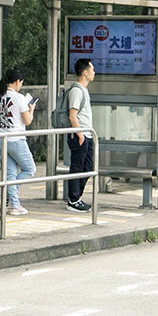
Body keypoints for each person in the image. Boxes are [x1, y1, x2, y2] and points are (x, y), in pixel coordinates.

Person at [0, 68, 36, 216]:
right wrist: (31, 109)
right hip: (16, 139)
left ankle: (14, 204)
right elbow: (27, 120)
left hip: (0, 138)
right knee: (30, 169)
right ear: (17, 82)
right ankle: (9, 194)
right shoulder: (19, 98)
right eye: (21, 82)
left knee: (10, 174)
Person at [62, 58, 96, 210]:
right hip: (79, 135)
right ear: (85, 73)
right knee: (77, 167)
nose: (94, 73)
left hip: (87, 134)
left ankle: (76, 197)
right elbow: (72, 115)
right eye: (92, 70)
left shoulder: (83, 90)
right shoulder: (76, 90)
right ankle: (73, 200)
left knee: (88, 167)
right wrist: (80, 134)